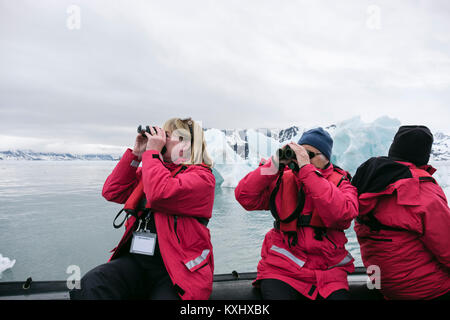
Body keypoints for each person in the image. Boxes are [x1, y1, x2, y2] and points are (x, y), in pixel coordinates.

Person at [70, 117, 215, 300]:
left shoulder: (202, 179)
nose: (159, 138)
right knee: (91, 284)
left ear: (185, 143)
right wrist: (137, 155)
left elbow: (160, 193)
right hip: (138, 262)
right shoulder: (153, 171)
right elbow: (112, 192)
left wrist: (152, 153)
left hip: (177, 270)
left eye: (167, 135)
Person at [235, 127, 359, 300]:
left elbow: (343, 214)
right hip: (282, 270)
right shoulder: (282, 179)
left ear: (325, 158)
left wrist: (308, 172)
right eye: (301, 152)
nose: (302, 158)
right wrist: (274, 165)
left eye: (310, 154)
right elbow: (245, 197)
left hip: (328, 274)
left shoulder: (342, 183)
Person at [352, 125, 450, 300]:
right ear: (424, 154)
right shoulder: (422, 190)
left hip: (384, 283)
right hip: (425, 289)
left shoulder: (366, 181)